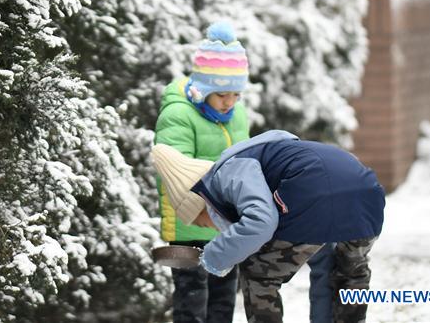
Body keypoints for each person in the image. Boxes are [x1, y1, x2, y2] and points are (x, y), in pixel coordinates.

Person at [152, 130, 386, 323]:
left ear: (204, 201)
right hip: (366, 195)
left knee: (258, 274)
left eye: (203, 222)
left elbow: (261, 222)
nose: (212, 229)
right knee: (346, 271)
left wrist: (214, 257)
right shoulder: (270, 153)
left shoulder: (230, 170)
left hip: (313, 196)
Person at [153, 21, 251, 323]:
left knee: (223, 300)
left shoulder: (237, 115)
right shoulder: (179, 114)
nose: (230, 103)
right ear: (204, 88)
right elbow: (175, 169)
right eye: (223, 95)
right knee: (191, 301)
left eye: (236, 95)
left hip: (225, 225)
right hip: (188, 226)